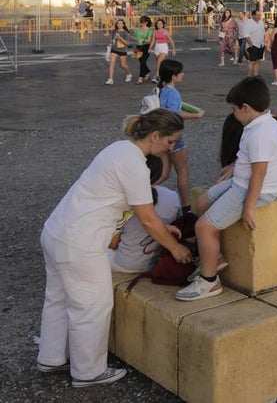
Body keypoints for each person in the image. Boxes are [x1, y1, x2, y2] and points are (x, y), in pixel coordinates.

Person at [37, 109, 192, 388]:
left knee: (57, 298)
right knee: (92, 306)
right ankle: (88, 371)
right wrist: (176, 248)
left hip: (57, 232)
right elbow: (146, 216)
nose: (170, 148)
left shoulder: (118, 149)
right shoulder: (135, 164)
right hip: (80, 243)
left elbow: (130, 208)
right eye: (170, 142)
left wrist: (160, 227)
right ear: (155, 136)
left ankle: (51, 357)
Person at [177, 77, 277, 301]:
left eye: (234, 109)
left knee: (204, 227)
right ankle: (213, 257)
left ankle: (209, 281)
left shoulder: (260, 133)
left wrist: (248, 207)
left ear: (245, 108)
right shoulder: (261, 123)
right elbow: (253, 162)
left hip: (252, 190)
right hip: (242, 182)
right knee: (202, 202)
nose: (233, 113)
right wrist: (236, 167)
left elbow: (259, 173)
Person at [109, 155, 182, 273]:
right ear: (159, 173)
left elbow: (112, 244)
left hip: (126, 264)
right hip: (157, 262)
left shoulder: (126, 201)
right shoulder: (172, 196)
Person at [156, 58, 204, 209]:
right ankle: (186, 206)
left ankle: (143, 192)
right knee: (182, 171)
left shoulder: (158, 90)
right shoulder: (173, 92)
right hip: (174, 136)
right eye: (180, 72)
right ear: (173, 76)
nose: (183, 74)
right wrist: (196, 115)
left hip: (161, 135)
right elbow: (175, 112)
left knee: (163, 173)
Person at [105, 18, 134, 84]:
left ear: (123, 25)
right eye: (118, 23)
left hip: (122, 50)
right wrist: (110, 44)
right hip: (114, 49)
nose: (119, 24)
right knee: (112, 63)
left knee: (123, 64)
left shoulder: (125, 32)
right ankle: (110, 79)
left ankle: (129, 74)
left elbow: (127, 43)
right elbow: (112, 40)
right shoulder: (114, 31)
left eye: (120, 23)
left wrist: (120, 38)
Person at [244, 12, 267, 78]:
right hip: (253, 44)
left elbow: (263, 32)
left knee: (258, 60)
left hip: (261, 44)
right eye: (257, 15)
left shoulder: (261, 22)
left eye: (259, 15)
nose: (259, 16)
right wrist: (250, 44)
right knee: (252, 61)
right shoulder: (248, 23)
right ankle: (249, 76)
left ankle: (256, 75)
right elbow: (246, 35)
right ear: (253, 15)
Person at [133, 16, 154, 85]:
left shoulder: (149, 30)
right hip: (138, 47)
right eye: (140, 21)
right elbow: (136, 38)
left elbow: (149, 40)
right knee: (141, 62)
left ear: (146, 22)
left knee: (143, 61)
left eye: (142, 22)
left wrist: (143, 40)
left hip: (146, 47)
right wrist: (135, 39)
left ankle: (140, 78)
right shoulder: (137, 30)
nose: (140, 23)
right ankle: (147, 72)